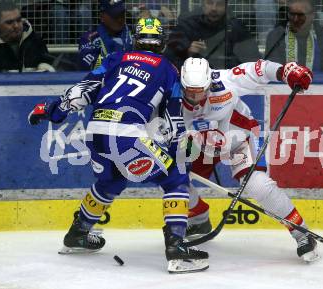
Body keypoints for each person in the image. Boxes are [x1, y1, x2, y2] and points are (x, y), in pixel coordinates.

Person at [28, 18, 209, 274]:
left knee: (110, 182)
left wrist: (52, 110)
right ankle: (177, 248)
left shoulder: (115, 59)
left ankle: (78, 234)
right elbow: (174, 120)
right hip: (126, 134)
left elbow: (83, 91)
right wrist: (181, 153)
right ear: (161, 43)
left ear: (135, 39)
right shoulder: (169, 70)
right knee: (175, 178)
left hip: (97, 132)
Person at [179, 57, 320, 262]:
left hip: (239, 139)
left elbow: (258, 69)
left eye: (200, 90)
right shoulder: (170, 94)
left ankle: (302, 233)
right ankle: (199, 217)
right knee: (173, 176)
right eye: (189, 91)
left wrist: (286, 71)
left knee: (259, 187)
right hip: (199, 145)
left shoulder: (224, 82)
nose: (194, 96)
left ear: (210, 82)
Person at [164, 0, 261, 69]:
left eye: (219, 4)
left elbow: (252, 61)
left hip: (230, 83)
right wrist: (188, 53)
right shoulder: (187, 26)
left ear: (226, 6)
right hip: (194, 83)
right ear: (203, 4)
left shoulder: (237, 28)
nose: (214, 8)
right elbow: (169, 61)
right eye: (210, 3)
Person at [265, 0, 323, 72]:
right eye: (292, 14)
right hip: (284, 82)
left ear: (312, 15)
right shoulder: (275, 37)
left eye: (301, 15)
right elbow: (272, 72)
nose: (295, 19)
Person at [0, 0, 53, 73]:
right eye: (9, 22)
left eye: (18, 20)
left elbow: (48, 67)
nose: (16, 26)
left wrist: (45, 70)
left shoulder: (34, 40)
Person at [78, 0, 133, 70]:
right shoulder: (90, 38)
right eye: (115, 16)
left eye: (122, 15)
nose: (120, 20)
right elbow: (89, 66)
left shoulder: (134, 32)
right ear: (102, 17)